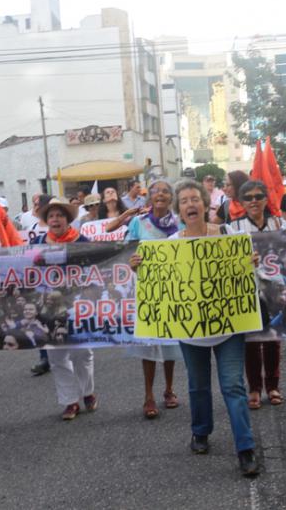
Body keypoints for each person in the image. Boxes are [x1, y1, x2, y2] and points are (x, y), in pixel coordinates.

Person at [130, 179, 259, 477]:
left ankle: (246, 448)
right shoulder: (172, 245)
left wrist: (252, 262)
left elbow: (250, 275)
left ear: (205, 204)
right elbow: (159, 288)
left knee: (233, 386)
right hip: (191, 330)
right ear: (179, 209)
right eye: (184, 200)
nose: (190, 204)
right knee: (198, 386)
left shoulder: (228, 236)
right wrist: (141, 269)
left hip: (229, 326)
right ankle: (200, 431)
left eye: (195, 199)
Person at [32, 198, 97, 420]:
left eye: (60, 215)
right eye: (51, 216)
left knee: (82, 353)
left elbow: (98, 265)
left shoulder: (82, 240)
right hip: (51, 308)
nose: (55, 219)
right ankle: (70, 401)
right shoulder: (38, 243)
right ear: (47, 221)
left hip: (77, 305)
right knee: (57, 357)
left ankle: (87, 392)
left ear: (67, 219)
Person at [125, 179, 183, 418]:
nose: (160, 194)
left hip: (174, 290)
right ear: (149, 197)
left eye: (165, 191)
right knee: (149, 344)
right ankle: (148, 395)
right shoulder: (138, 223)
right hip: (147, 291)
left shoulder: (180, 224)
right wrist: (133, 261)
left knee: (170, 343)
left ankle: (169, 389)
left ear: (171, 198)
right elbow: (127, 252)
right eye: (156, 191)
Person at [229, 180, 286, 410]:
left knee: (273, 338)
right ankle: (254, 387)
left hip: (274, 288)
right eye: (248, 197)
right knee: (251, 342)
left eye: (258, 196)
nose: (254, 201)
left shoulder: (279, 222)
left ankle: (273, 385)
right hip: (247, 290)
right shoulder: (234, 228)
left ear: (266, 199)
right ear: (242, 202)